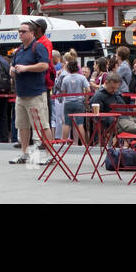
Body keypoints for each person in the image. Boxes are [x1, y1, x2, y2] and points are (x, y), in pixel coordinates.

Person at [9, 21, 51, 165]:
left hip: (35, 94)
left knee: (42, 125)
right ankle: (25, 153)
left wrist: (25, 68)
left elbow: (44, 65)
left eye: (23, 31)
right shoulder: (19, 50)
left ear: (32, 33)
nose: (20, 33)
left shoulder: (38, 47)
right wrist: (12, 70)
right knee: (22, 125)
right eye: (19, 31)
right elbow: (13, 66)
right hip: (21, 94)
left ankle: (49, 154)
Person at [90, 71, 136, 140]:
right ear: (106, 82)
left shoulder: (116, 92)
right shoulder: (98, 96)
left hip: (127, 118)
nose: (115, 90)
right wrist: (111, 120)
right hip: (116, 121)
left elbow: (123, 106)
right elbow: (98, 117)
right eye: (113, 88)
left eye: (116, 88)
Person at [53, 57, 90, 144]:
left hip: (68, 103)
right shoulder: (82, 78)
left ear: (68, 68)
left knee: (67, 123)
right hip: (79, 102)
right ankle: (84, 143)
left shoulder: (65, 78)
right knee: (80, 123)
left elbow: (63, 91)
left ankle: (63, 143)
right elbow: (88, 90)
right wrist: (85, 100)